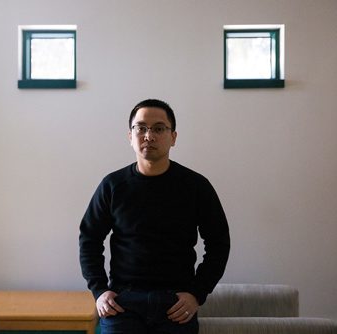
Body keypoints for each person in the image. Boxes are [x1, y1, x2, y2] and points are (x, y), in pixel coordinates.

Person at [79, 99, 230, 334]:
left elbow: (219, 243)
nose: (149, 136)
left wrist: (196, 294)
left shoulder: (196, 186)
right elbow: (89, 239)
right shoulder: (112, 185)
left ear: (173, 137)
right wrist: (99, 291)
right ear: (130, 136)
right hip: (122, 302)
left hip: (176, 304)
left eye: (159, 128)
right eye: (141, 128)